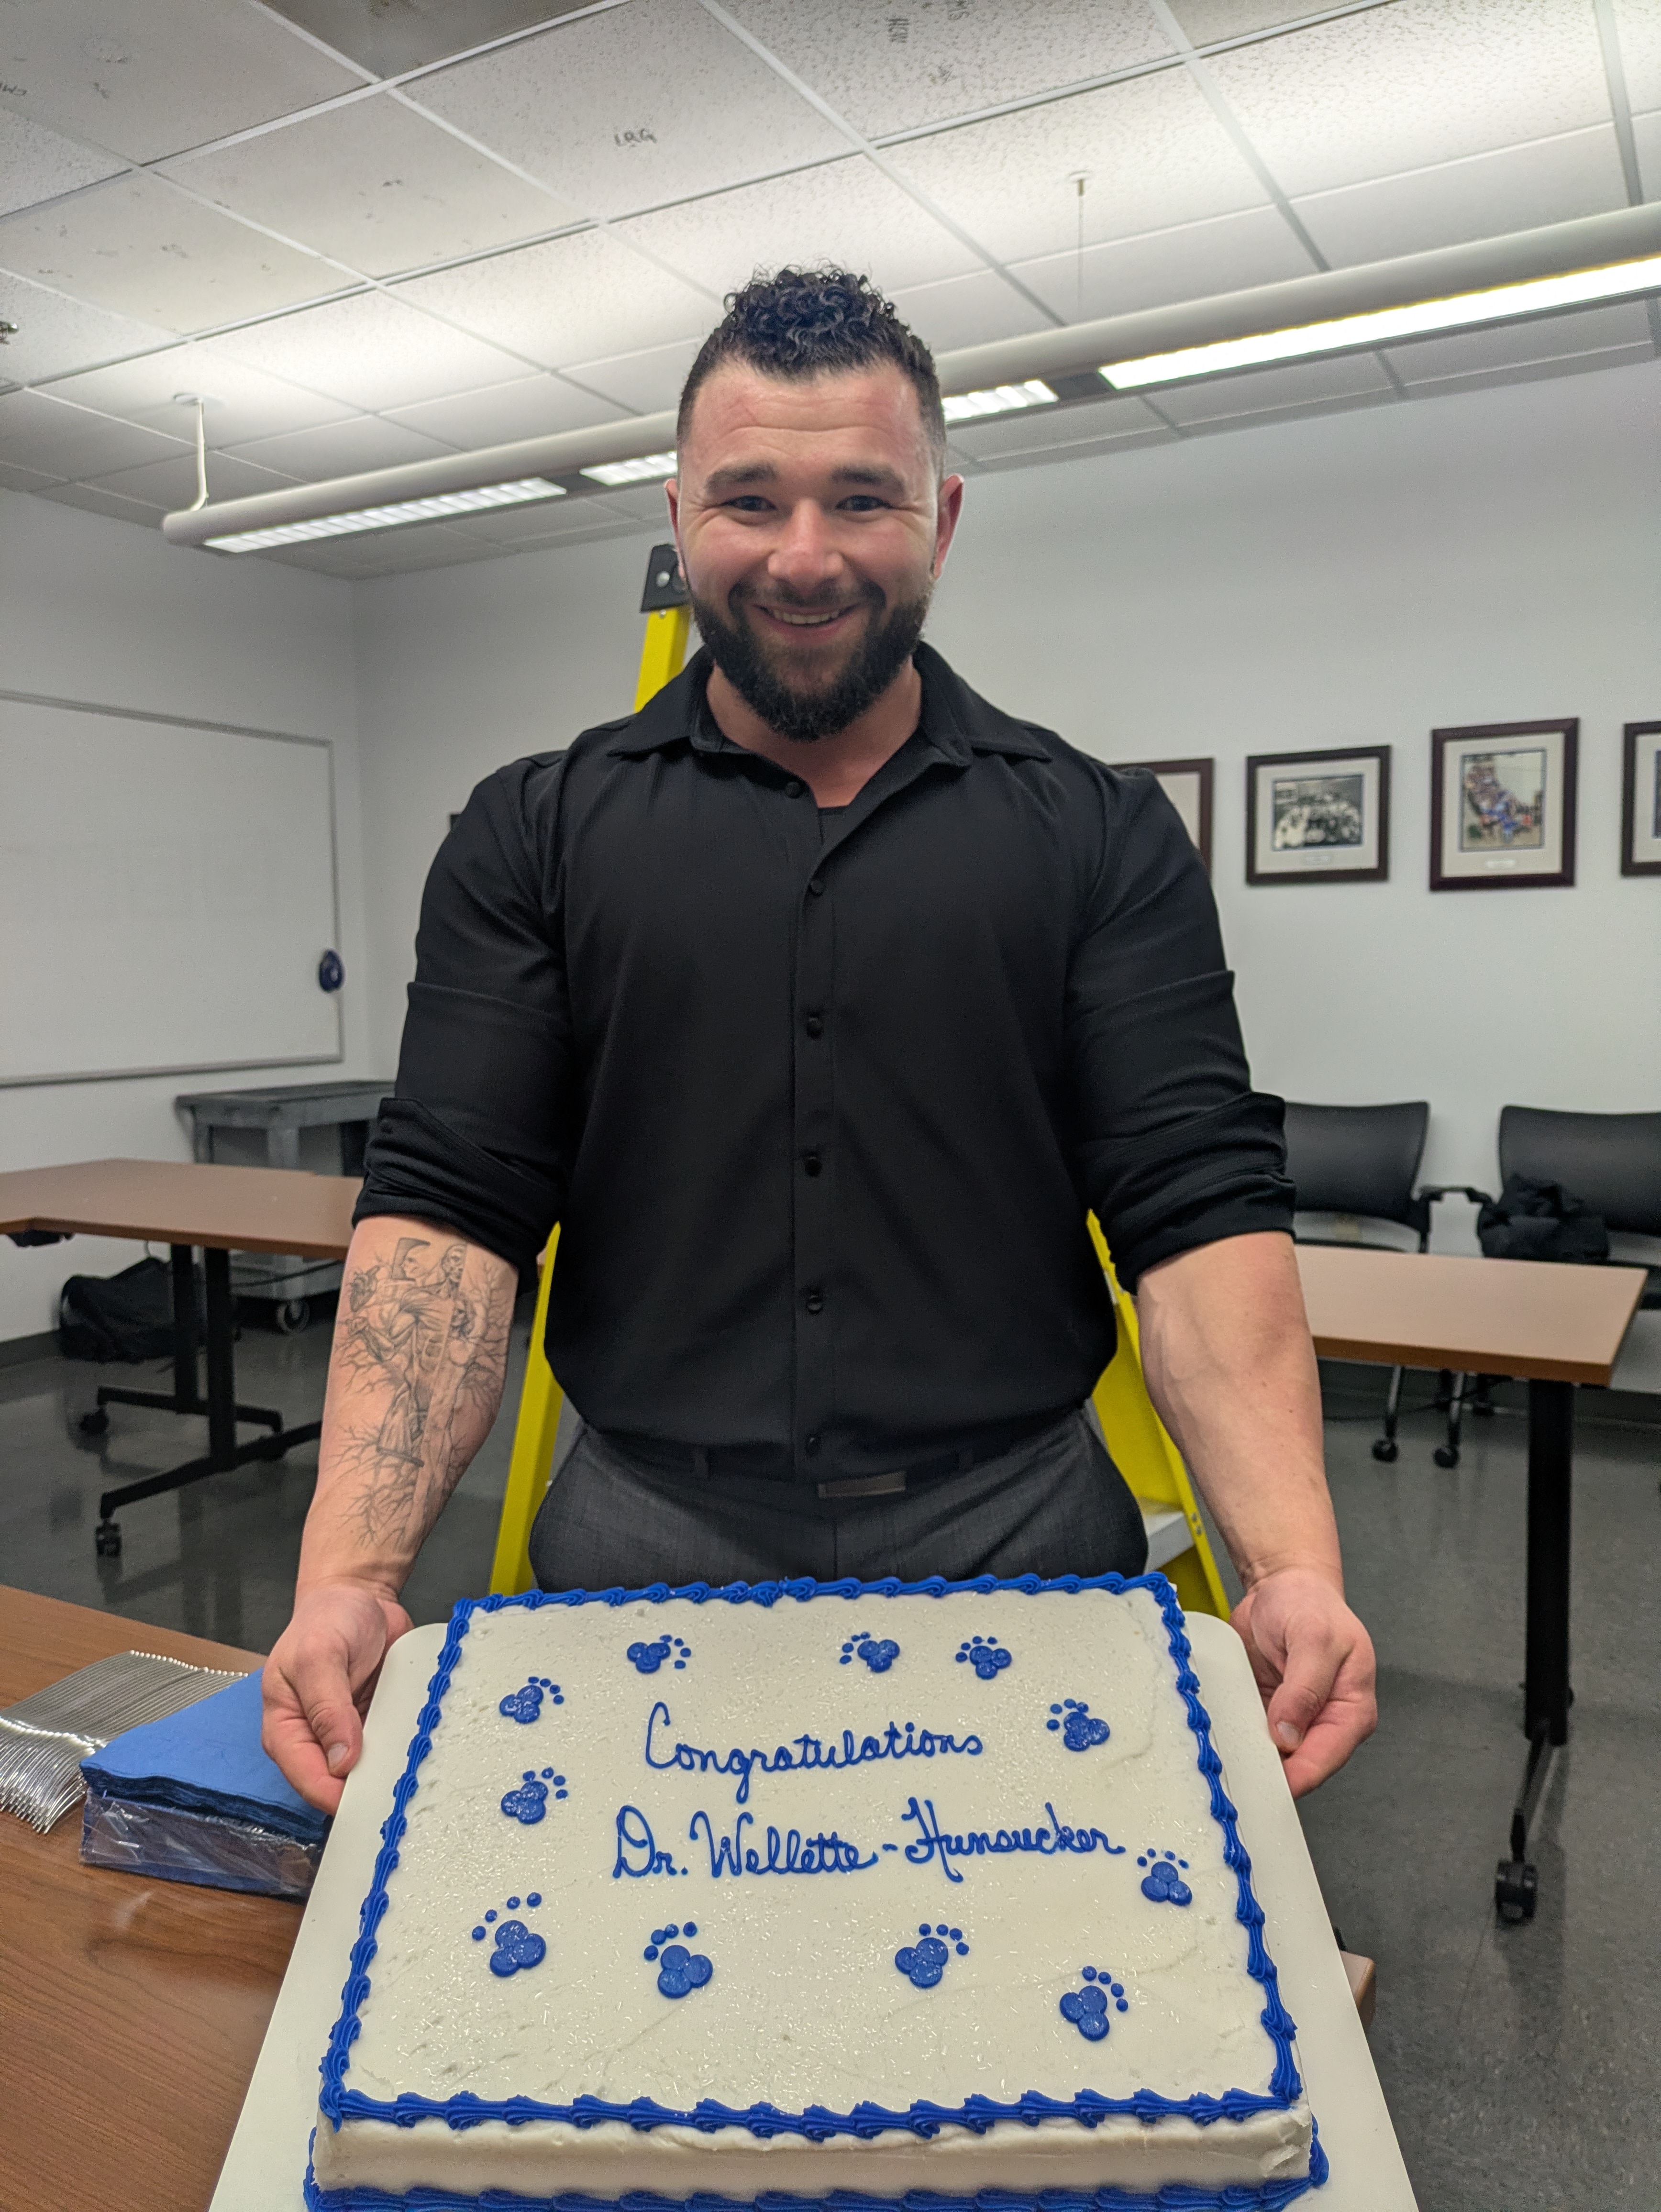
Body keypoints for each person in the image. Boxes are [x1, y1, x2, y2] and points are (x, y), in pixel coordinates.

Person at [263, 267, 1375, 1815]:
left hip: (1022, 1535)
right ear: (676, 514)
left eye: (862, 497)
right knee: (639, 2030)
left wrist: (1292, 1567)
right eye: (750, 499)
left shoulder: (1099, 835)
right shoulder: (537, 832)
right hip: (646, 1538)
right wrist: (351, 1572)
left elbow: (1196, 1213)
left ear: (944, 518)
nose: (805, 556)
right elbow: (452, 1214)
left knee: (1033, 1995)